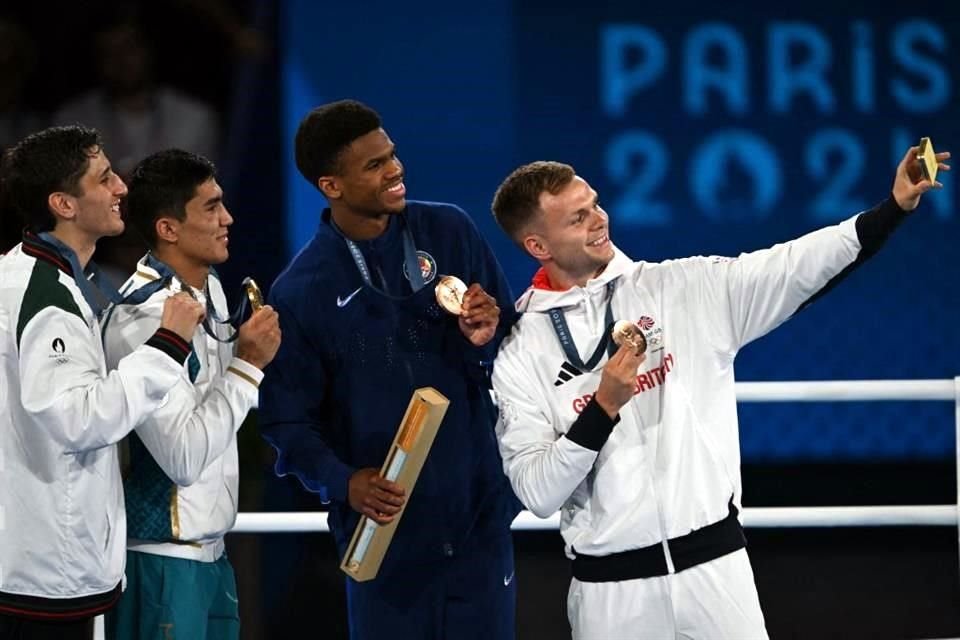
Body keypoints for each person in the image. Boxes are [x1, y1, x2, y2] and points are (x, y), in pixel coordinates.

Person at [489, 147, 951, 639]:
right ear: (539, 246)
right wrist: (601, 409)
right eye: (578, 217)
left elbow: (793, 266)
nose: (599, 219)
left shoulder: (684, 288)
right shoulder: (521, 352)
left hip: (716, 573)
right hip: (610, 597)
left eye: (595, 204)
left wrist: (891, 208)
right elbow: (537, 493)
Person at [258, 99, 521, 639]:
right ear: (331, 185)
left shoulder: (450, 230)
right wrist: (343, 481)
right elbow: (287, 424)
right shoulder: (301, 292)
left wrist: (486, 337)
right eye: (374, 165)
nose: (395, 169)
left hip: (477, 525)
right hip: (385, 539)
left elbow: (513, 348)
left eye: (393, 155)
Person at [0, 126, 205, 639]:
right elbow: (78, 419)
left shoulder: (29, 276)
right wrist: (168, 346)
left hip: (34, 555)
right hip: (45, 569)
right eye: (105, 178)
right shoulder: (45, 296)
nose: (121, 188)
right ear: (64, 204)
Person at [100, 149, 281, 640]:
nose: (229, 218)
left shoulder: (212, 290)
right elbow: (182, 457)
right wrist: (247, 366)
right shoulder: (143, 319)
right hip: (161, 567)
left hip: (213, 560)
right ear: (168, 228)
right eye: (211, 207)